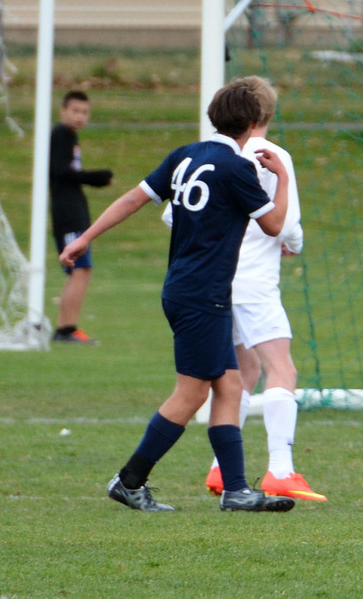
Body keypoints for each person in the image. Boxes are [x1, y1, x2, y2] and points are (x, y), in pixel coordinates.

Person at [59, 77, 296, 513]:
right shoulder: (238, 169)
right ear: (255, 122)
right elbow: (276, 226)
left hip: (191, 288)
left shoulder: (186, 155)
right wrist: (279, 178)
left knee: (228, 384)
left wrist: (84, 238)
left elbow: (133, 198)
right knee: (191, 394)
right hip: (202, 294)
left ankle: (236, 489)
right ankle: (129, 480)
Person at [165, 79, 325, 501]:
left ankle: (221, 469)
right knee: (281, 369)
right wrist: (292, 244)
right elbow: (287, 229)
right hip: (254, 282)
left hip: (215, 282)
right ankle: (280, 469)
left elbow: (172, 216)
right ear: (264, 118)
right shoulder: (275, 158)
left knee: (240, 375)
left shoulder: (205, 156)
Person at [49, 90, 113, 344]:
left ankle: (65, 328)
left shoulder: (69, 137)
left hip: (75, 211)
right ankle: (66, 329)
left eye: (84, 112)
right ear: (63, 111)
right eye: (75, 110)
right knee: (81, 268)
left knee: (80, 270)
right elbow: (59, 171)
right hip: (67, 214)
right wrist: (93, 177)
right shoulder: (60, 134)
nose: (79, 116)